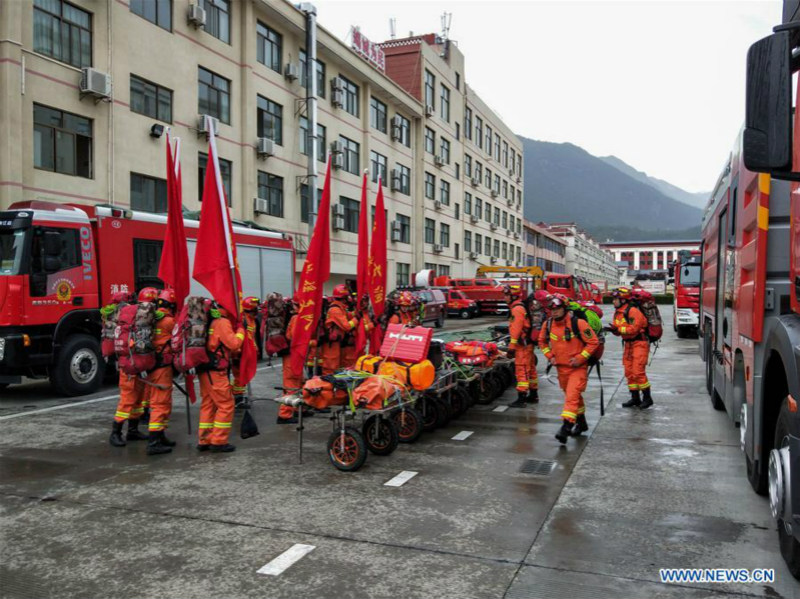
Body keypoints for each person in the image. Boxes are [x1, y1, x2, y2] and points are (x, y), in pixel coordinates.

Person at [538, 293, 599, 444]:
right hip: (561, 368)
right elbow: (542, 342)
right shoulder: (548, 324)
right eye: (552, 309)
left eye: (558, 308)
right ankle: (582, 423)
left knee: (572, 396)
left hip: (577, 368)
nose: (554, 311)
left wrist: (580, 358)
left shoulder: (578, 323)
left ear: (564, 308)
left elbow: (593, 342)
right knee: (573, 398)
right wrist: (549, 355)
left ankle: (566, 427)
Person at [109, 287, 158, 447]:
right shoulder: (137, 317)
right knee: (128, 399)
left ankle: (133, 430)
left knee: (137, 398)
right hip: (131, 364)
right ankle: (115, 432)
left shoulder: (132, 316)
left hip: (136, 363)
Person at [197, 303, 245, 453]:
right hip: (216, 371)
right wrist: (241, 331)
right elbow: (233, 344)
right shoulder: (222, 321)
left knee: (208, 404)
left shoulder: (206, 321)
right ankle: (218, 441)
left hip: (205, 368)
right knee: (226, 404)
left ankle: (204, 440)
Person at [607, 287, 653, 409]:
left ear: (623, 300)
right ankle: (635, 398)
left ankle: (647, 398)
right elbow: (620, 330)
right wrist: (614, 331)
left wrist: (618, 329)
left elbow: (634, 329)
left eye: (615, 299)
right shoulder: (618, 313)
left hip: (639, 343)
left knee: (638, 371)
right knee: (629, 372)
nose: (613, 301)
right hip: (628, 344)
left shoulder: (633, 311)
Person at [146, 289, 177, 455]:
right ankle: (154, 441)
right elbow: (177, 341)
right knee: (161, 402)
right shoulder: (169, 321)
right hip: (162, 367)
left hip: (151, 365)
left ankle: (161, 435)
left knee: (158, 400)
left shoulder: (150, 318)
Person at [505, 285, 538, 407]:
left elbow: (516, 330)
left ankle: (522, 398)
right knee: (531, 369)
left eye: (507, 295)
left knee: (522, 369)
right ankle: (533, 394)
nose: (505, 298)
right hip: (527, 344)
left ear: (513, 296)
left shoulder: (517, 309)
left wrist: (511, 348)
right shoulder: (521, 307)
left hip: (522, 345)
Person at [320, 284, 357, 375]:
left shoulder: (339, 308)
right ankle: (328, 387)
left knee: (336, 366)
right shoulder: (335, 310)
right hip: (331, 345)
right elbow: (347, 326)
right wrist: (356, 319)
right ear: (343, 298)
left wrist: (357, 312)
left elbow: (346, 316)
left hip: (336, 343)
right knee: (330, 368)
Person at [232, 296, 259, 409]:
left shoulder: (251, 320)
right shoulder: (243, 320)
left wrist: (255, 347)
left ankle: (238, 396)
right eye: (255, 309)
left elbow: (251, 337)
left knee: (243, 375)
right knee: (239, 376)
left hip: (248, 352)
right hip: (240, 353)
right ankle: (237, 399)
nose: (257, 311)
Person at [278, 298, 302, 424]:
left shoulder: (297, 317)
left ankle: (295, 408)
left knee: (296, 383)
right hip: (292, 355)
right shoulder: (297, 318)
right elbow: (294, 337)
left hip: (295, 355)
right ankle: (284, 414)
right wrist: (310, 342)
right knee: (291, 384)